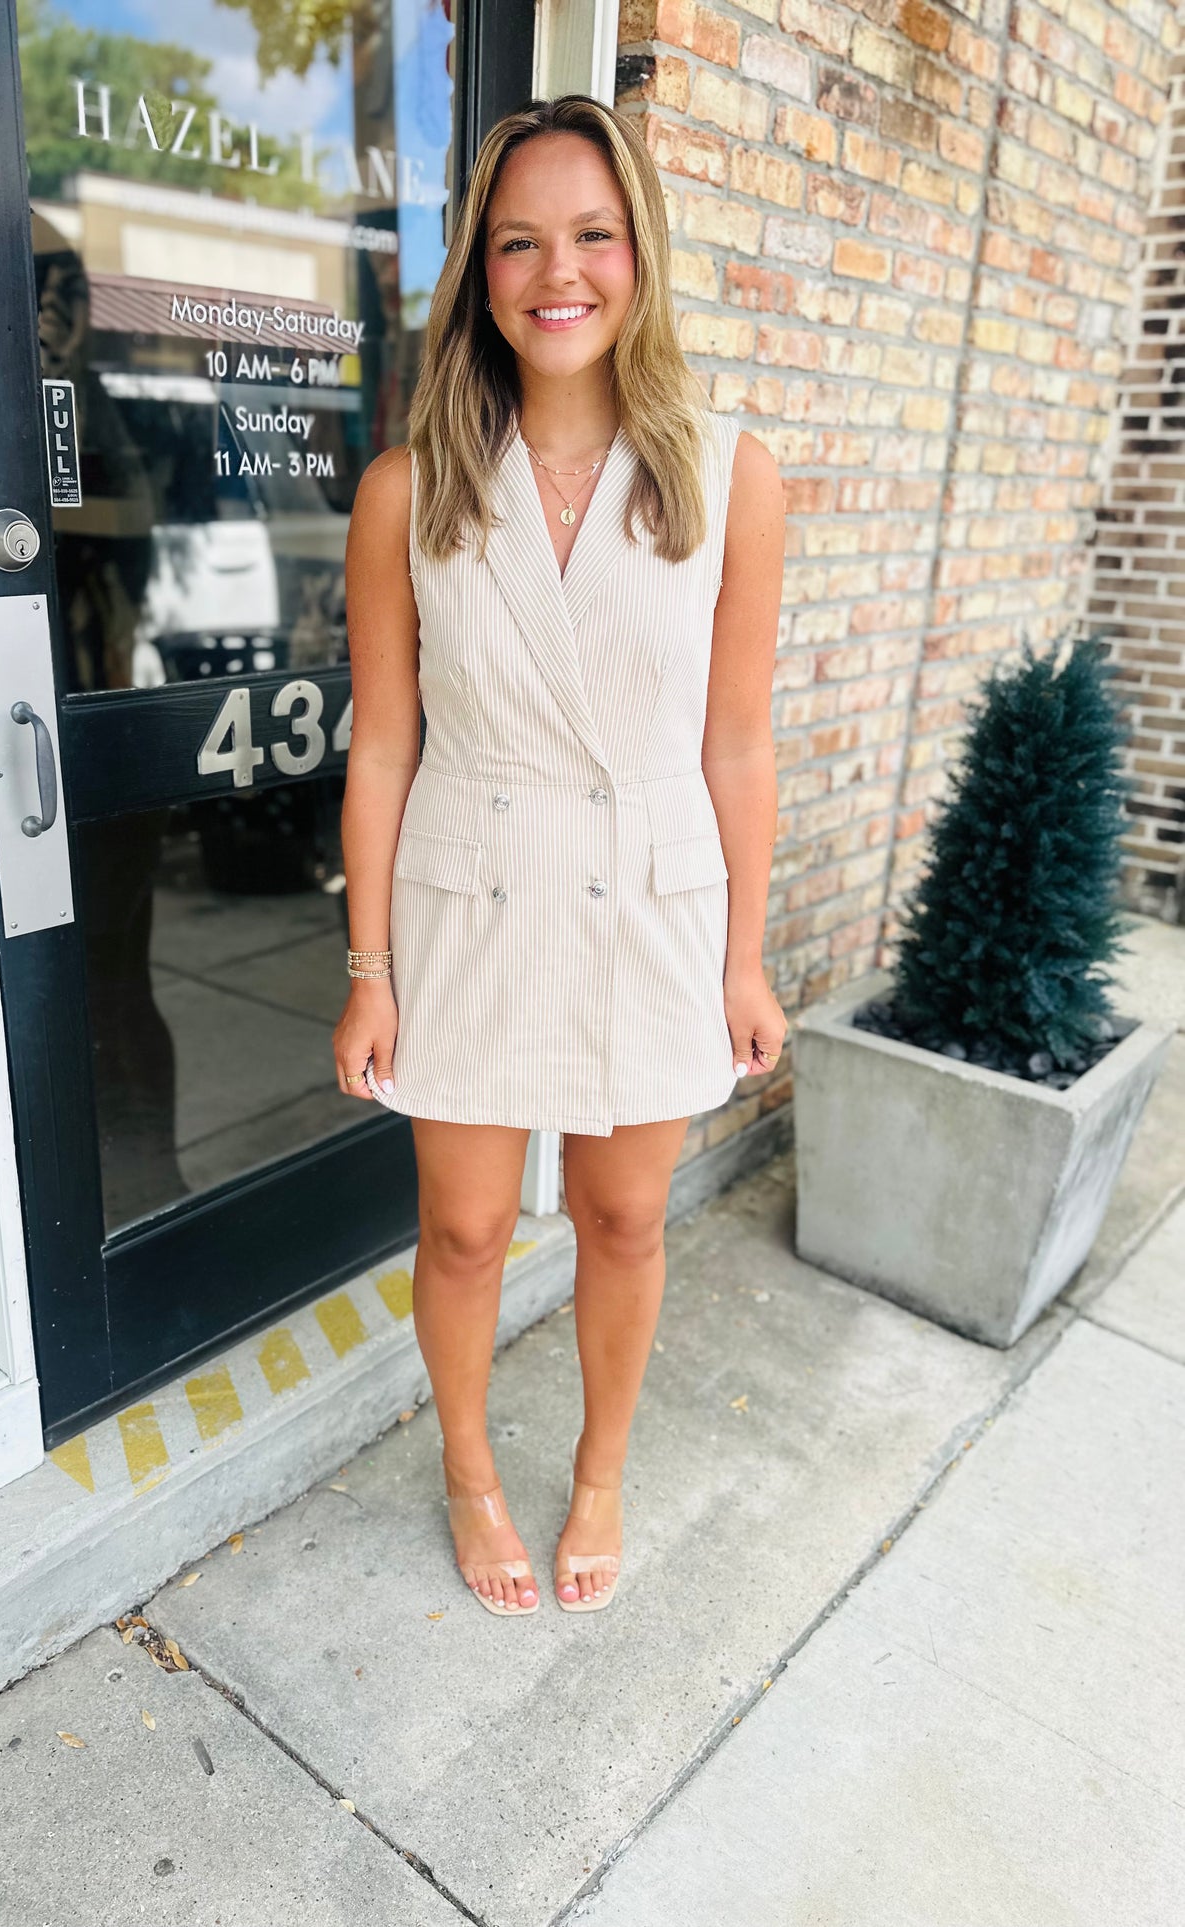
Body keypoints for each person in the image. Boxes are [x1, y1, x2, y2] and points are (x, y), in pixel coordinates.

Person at [333, 95, 786, 1616]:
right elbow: (382, 749)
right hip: (470, 897)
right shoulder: (408, 490)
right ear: (479, 273)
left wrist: (742, 959)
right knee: (465, 1229)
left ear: (639, 253)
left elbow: (737, 744)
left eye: (592, 234)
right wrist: (369, 970)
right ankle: (470, 1472)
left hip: (652, 898)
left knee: (625, 1217)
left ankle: (599, 1475)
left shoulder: (728, 475)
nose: (558, 272)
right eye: (518, 242)